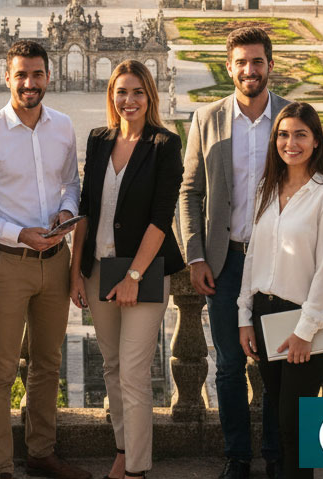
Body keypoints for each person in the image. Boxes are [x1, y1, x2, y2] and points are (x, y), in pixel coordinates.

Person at [0, 40, 88, 479]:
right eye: (20, 75)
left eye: (36, 74)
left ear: (48, 76)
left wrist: (68, 210)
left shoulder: (63, 126)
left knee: (47, 363)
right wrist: (19, 234)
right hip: (9, 263)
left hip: (55, 258)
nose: (29, 83)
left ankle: (40, 452)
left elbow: (71, 181)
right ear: (6, 76)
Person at [179, 26, 287, 479]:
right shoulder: (207, 119)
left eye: (257, 62)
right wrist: (195, 255)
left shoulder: (293, 115)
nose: (249, 70)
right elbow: (189, 191)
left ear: (269, 66)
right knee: (227, 365)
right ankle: (237, 456)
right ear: (229, 68)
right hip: (225, 261)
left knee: (278, 366)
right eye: (241, 62)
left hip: (280, 261)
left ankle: (278, 455)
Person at [69, 60, 184, 479]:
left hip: (145, 271)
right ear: (111, 96)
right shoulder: (99, 140)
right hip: (99, 267)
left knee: (134, 373)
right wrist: (75, 271)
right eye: (122, 92)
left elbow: (161, 218)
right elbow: (85, 208)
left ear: (149, 96)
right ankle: (123, 449)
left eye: (138, 92)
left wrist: (134, 276)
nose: (129, 100)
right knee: (112, 367)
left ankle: (136, 469)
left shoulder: (164, 145)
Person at [237, 102, 323, 479]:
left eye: (300, 134)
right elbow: (254, 257)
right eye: (283, 134)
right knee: (280, 420)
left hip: (303, 321)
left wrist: (305, 332)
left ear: (316, 141)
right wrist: (244, 317)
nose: (291, 142)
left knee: (293, 426)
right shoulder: (268, 187)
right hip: (266, 315)